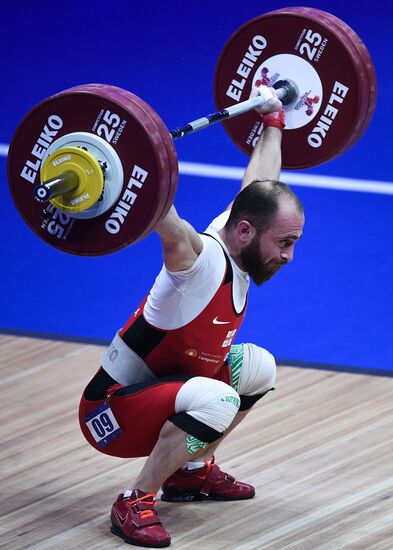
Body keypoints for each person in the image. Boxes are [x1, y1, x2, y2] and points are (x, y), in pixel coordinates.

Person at [79, 85, 305, 548]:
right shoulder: (198, 263)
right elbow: (169, 223)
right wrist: (138, 168)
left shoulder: (243, 234)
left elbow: (258, 187)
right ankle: (135, 500)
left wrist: (273, 122)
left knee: (258, 367)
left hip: (168, 392)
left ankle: (191, 472)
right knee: (217, 402)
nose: (289, 255)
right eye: (285, 243)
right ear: (244, 232)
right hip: (112, 410)